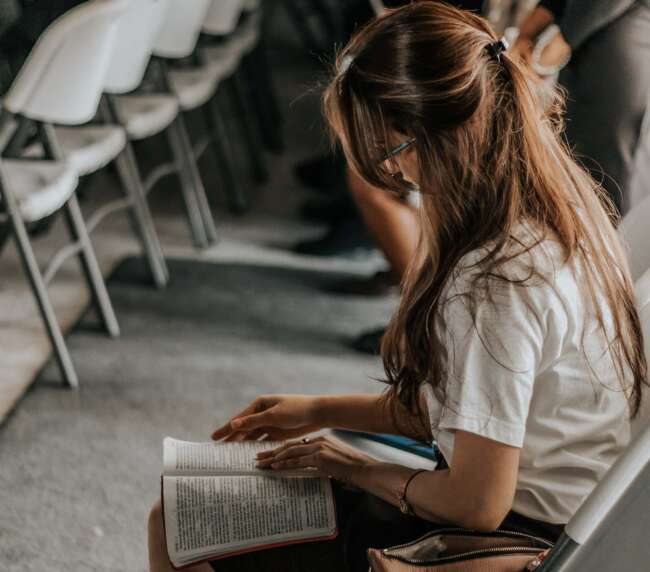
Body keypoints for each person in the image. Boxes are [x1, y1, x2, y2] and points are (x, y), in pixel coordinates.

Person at [147, 3, 647, 571]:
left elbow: (477, 503)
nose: (396, 176)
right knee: (190, 514)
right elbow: (472, 411)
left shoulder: (494, 282)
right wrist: (318, 409)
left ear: (429, 140)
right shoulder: (557, 207)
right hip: (553, 511)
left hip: (504, 534)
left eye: (389, 154)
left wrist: (352, 466)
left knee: (179, 523)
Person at [513, 0, 650, 214]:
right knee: (569, 163)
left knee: (598, 177)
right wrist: (527, 33)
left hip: (615, 46)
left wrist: (563, 41)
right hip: (582, 46)